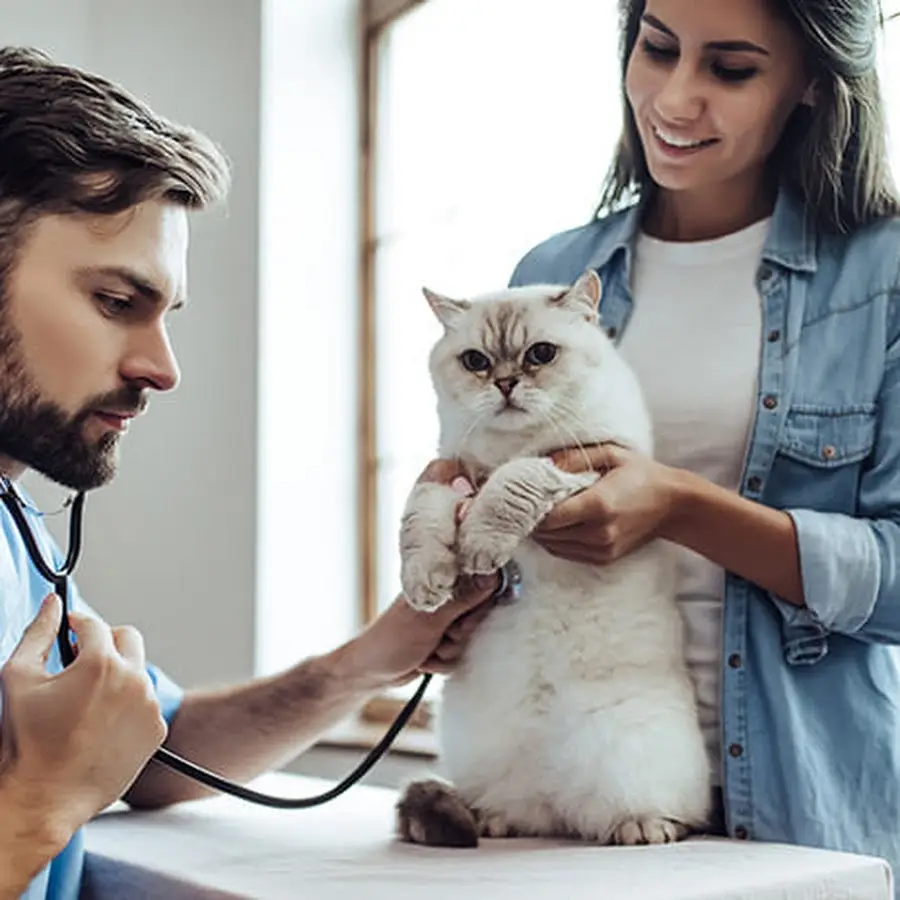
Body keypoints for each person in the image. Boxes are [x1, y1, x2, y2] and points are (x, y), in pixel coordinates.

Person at [0, 47, 499, 900]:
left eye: (167, 315)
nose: (164, 367)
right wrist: (41, 803)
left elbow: (151, 747)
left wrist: (369, 662)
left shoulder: (14, 528)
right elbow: (64, 774)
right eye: (118, 303)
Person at [501, 0, 900, 883]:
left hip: (803, 811)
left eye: (731, 68)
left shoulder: (885, 278)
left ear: (810, 84)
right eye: (656, 48)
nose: (675, 100)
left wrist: (679, 506)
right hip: (570, 794)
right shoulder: (551, 278)